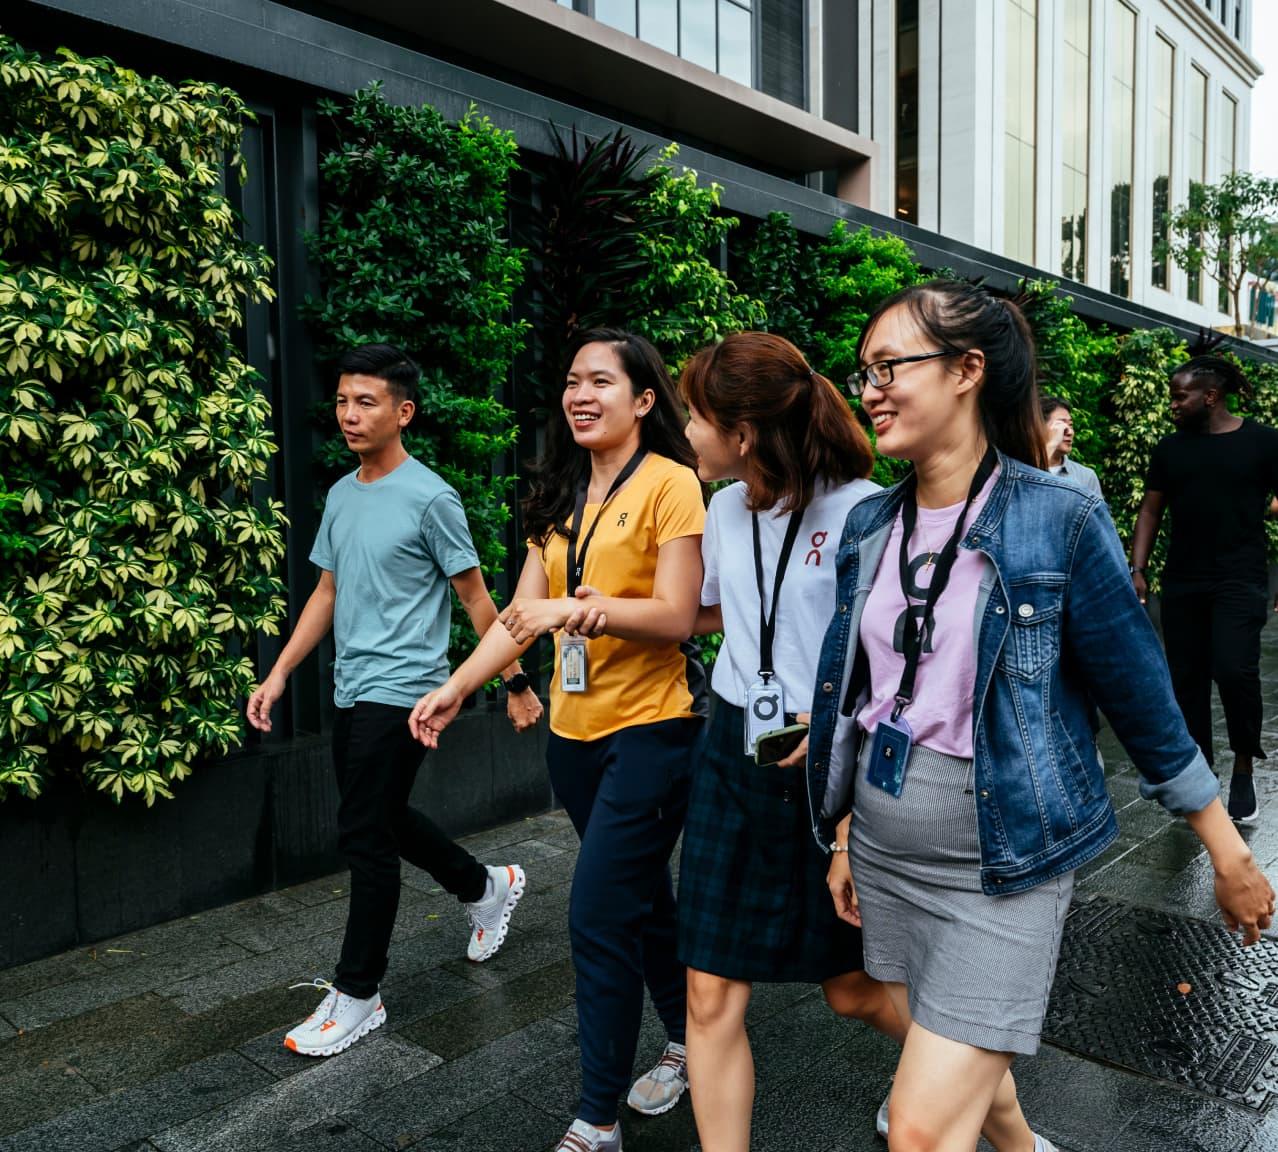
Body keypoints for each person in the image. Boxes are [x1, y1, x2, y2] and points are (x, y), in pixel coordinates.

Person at [805, 281, 1275, 1152]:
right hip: (883, 847)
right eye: (863, 369)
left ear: (967, 372)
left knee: (915, 1127)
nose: (867, 388)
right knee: (949, 1053)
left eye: (889, 366)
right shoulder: (874, 521)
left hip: (1005, 860)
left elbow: (1142, 696)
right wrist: (842, 838)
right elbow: (867, 699)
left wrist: (1227, 848)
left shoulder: (1058, 518)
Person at [409, 328, 706, 1152]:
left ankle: (596, 1118)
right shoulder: (563, 494)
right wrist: (457, 686)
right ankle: (690, 1038)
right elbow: (519, 616)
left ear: (644, 399)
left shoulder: (673, 485)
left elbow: (678, 615)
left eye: (600, 381)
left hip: (654, 732)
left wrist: (578, 610)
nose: (580, 394)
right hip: (574, 741)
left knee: (597, 913)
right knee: (642, 899)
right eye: (572, 380)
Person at [245, 343, 542, 1057]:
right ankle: (486, 886)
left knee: (364, 838)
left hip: (408, 692)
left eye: (366, 401)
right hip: (352, 687)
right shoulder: (344, 495)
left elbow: (475, 597)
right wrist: (280, 671)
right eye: (344, 400)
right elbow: (326, 593)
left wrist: (515, 681)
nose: (348, 414)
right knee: (384, 818)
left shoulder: (432, 496)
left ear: (403, 411)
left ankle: (358, 993)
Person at [672, 332, 906, 1151]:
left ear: (744, 433)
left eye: (696, 417)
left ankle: (957, 1075)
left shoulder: (866, 511)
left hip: (827, 757)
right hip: (734, 747)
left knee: (853, 989)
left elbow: (890, 664)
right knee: (708, 992)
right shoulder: (723, 505)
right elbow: (709, 610)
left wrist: (848, 796)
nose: (686, 432)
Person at [1130, 356, 1278, 824]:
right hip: (1184, 580)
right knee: (1187, 680)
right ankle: (1201, 774)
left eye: (1180, 396)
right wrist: (1137, 567)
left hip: (1241, 577)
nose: (1173, 404)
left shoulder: (1263, 441)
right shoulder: (1171, 449)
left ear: (1209, 396)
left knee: (1235, 671)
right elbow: (1151, 511)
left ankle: (1242, 766)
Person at [1039, 395, 1102, 498]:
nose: (1070, 432)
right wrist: (1052, 444)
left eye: (1070, 425)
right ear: (1039, 426)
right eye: (1061, 425)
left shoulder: (1085, 477)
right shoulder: (1018, 470)